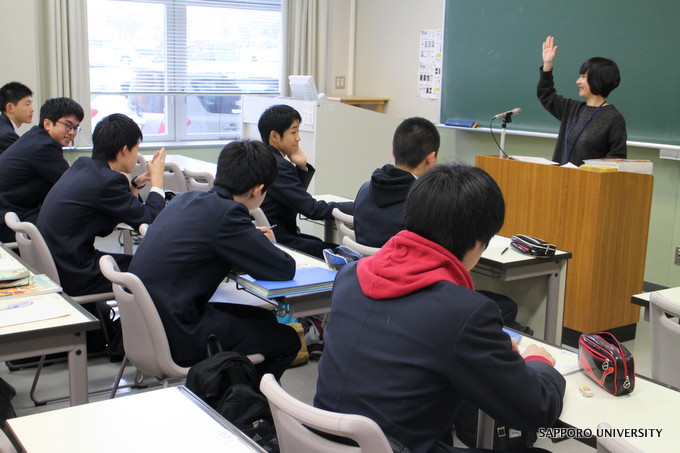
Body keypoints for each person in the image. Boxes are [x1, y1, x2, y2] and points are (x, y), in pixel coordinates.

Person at [314, 164, 566, 453]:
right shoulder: (464, 312)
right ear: (477, 243)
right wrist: (540, 363)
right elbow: (536, 409)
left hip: (322, 441)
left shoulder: (349, 276)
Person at [129, 140, 301, 379]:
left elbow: (206, 247)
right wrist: (256, 241)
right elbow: (283, 268)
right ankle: (248, 408)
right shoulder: (228, 214)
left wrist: (246, 240)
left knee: (264, 317)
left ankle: (235, 392)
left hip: (145, 324)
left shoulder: (184, 199)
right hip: (177, 334)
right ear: (257, 189)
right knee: (287, 340)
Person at [37, 113, 166, 297]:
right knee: (158, 269)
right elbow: (150, 221)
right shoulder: (108, 182)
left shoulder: (84, 165)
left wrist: (136, 184)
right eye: (136, 148)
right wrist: (157, 182)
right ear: (124, 150)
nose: (137, 154)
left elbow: (113, 204)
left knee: (141, 264)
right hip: (75, 273)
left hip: (58, 264)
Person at [257, 104, 353, 258]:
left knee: (318, 243)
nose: (298, 138)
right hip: (279, 241)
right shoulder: (279, 166)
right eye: (293, 132)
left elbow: (294, 197)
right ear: (274, 136)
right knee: (343, 254)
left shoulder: (261, 158)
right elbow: (312, 209)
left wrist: (301, 167)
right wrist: (357, 205)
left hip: (265, 237)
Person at [0, 97, 84, 243]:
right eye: (68, 125)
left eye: (76, 128)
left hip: (12, 210)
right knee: (75, 219)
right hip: (9, 220)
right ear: (47, 124)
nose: (72, 132)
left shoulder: (35, 137)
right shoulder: (44, 146)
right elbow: (73, 184)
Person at [538, 35, 626, 166]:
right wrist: (547, 64)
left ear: (597, 79)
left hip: (589, 183)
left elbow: (617, 158)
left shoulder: (613, 118)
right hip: (560, 179)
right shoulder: (571, 109)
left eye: (583, 77)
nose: (578, 81)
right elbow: (545, 94)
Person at [353, 117, 439, 248]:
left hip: (363, 266)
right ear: (430, 158)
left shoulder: (365, 190)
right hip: (402, 268)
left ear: (393, 152)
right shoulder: (425, 205)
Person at [0, 82, 34, 153]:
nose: (32, 109)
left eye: (31, 104)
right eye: (27, 104)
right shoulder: (7, 136)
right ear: (10, 108)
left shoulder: (4, 127)